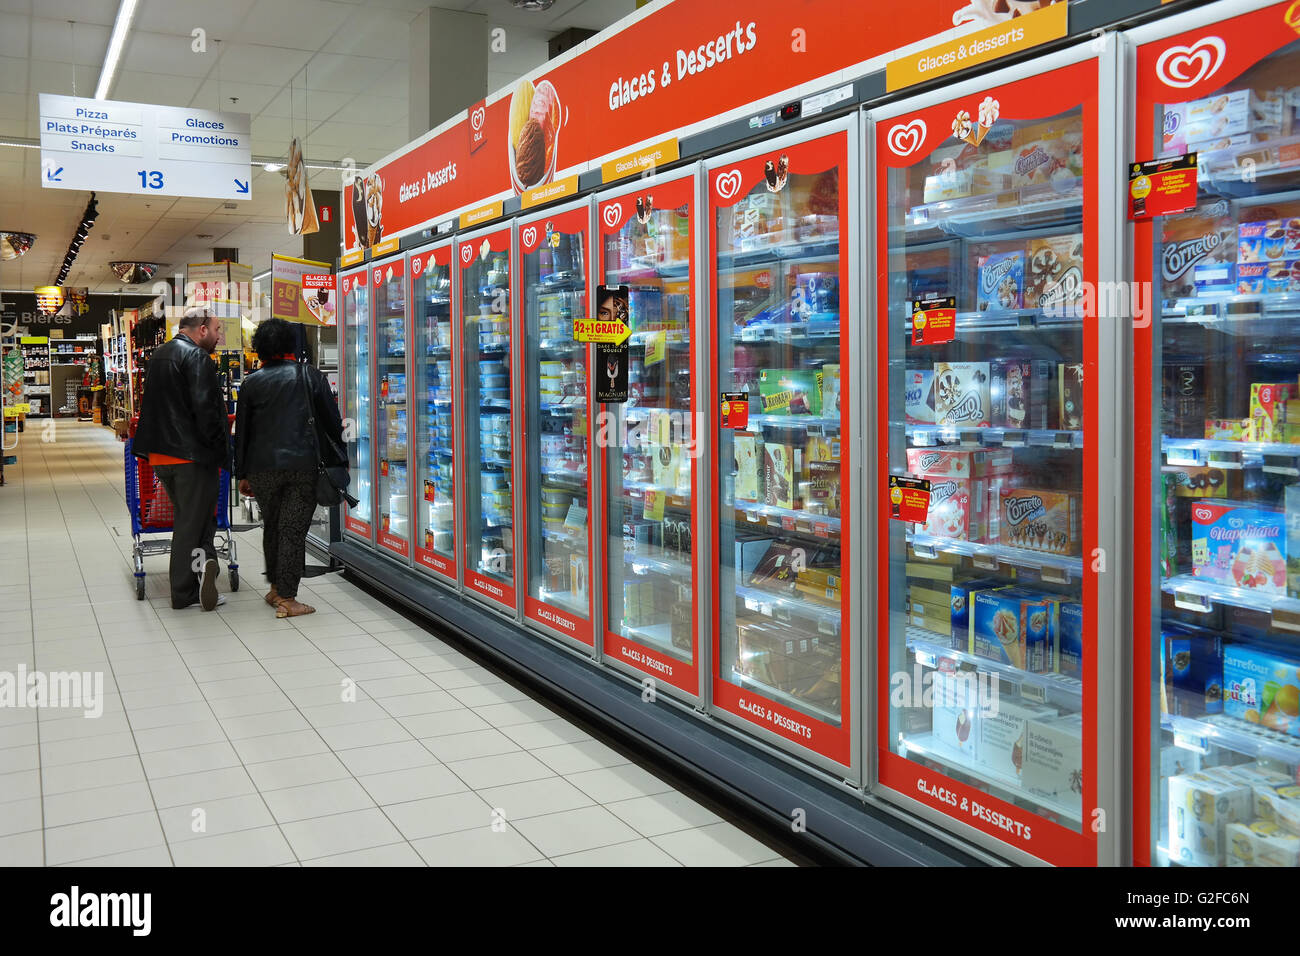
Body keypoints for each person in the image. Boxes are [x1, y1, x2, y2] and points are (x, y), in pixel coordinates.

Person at [235, 318, 345, 618]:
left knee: (272, 526)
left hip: (262, 468)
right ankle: (287, 598)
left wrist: (242, 474)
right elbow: (332, 424)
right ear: (290, 344)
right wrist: (340, 457)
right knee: (293, 531)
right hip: (302, 466)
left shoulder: (250, 383)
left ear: (260, 348)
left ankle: (275, 588)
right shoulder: (311, 376)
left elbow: (242, 433)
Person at [132, 306, 229, 610]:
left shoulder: (160, 354)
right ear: (201, 329)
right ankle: (184, 592)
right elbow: (206, 411)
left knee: (197, 519)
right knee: (190, 523)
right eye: (216, 330)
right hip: (191, 456)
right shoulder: (197, 357)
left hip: (161, 456)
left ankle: (205, 570)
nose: (218, 336)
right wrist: (220, 448)